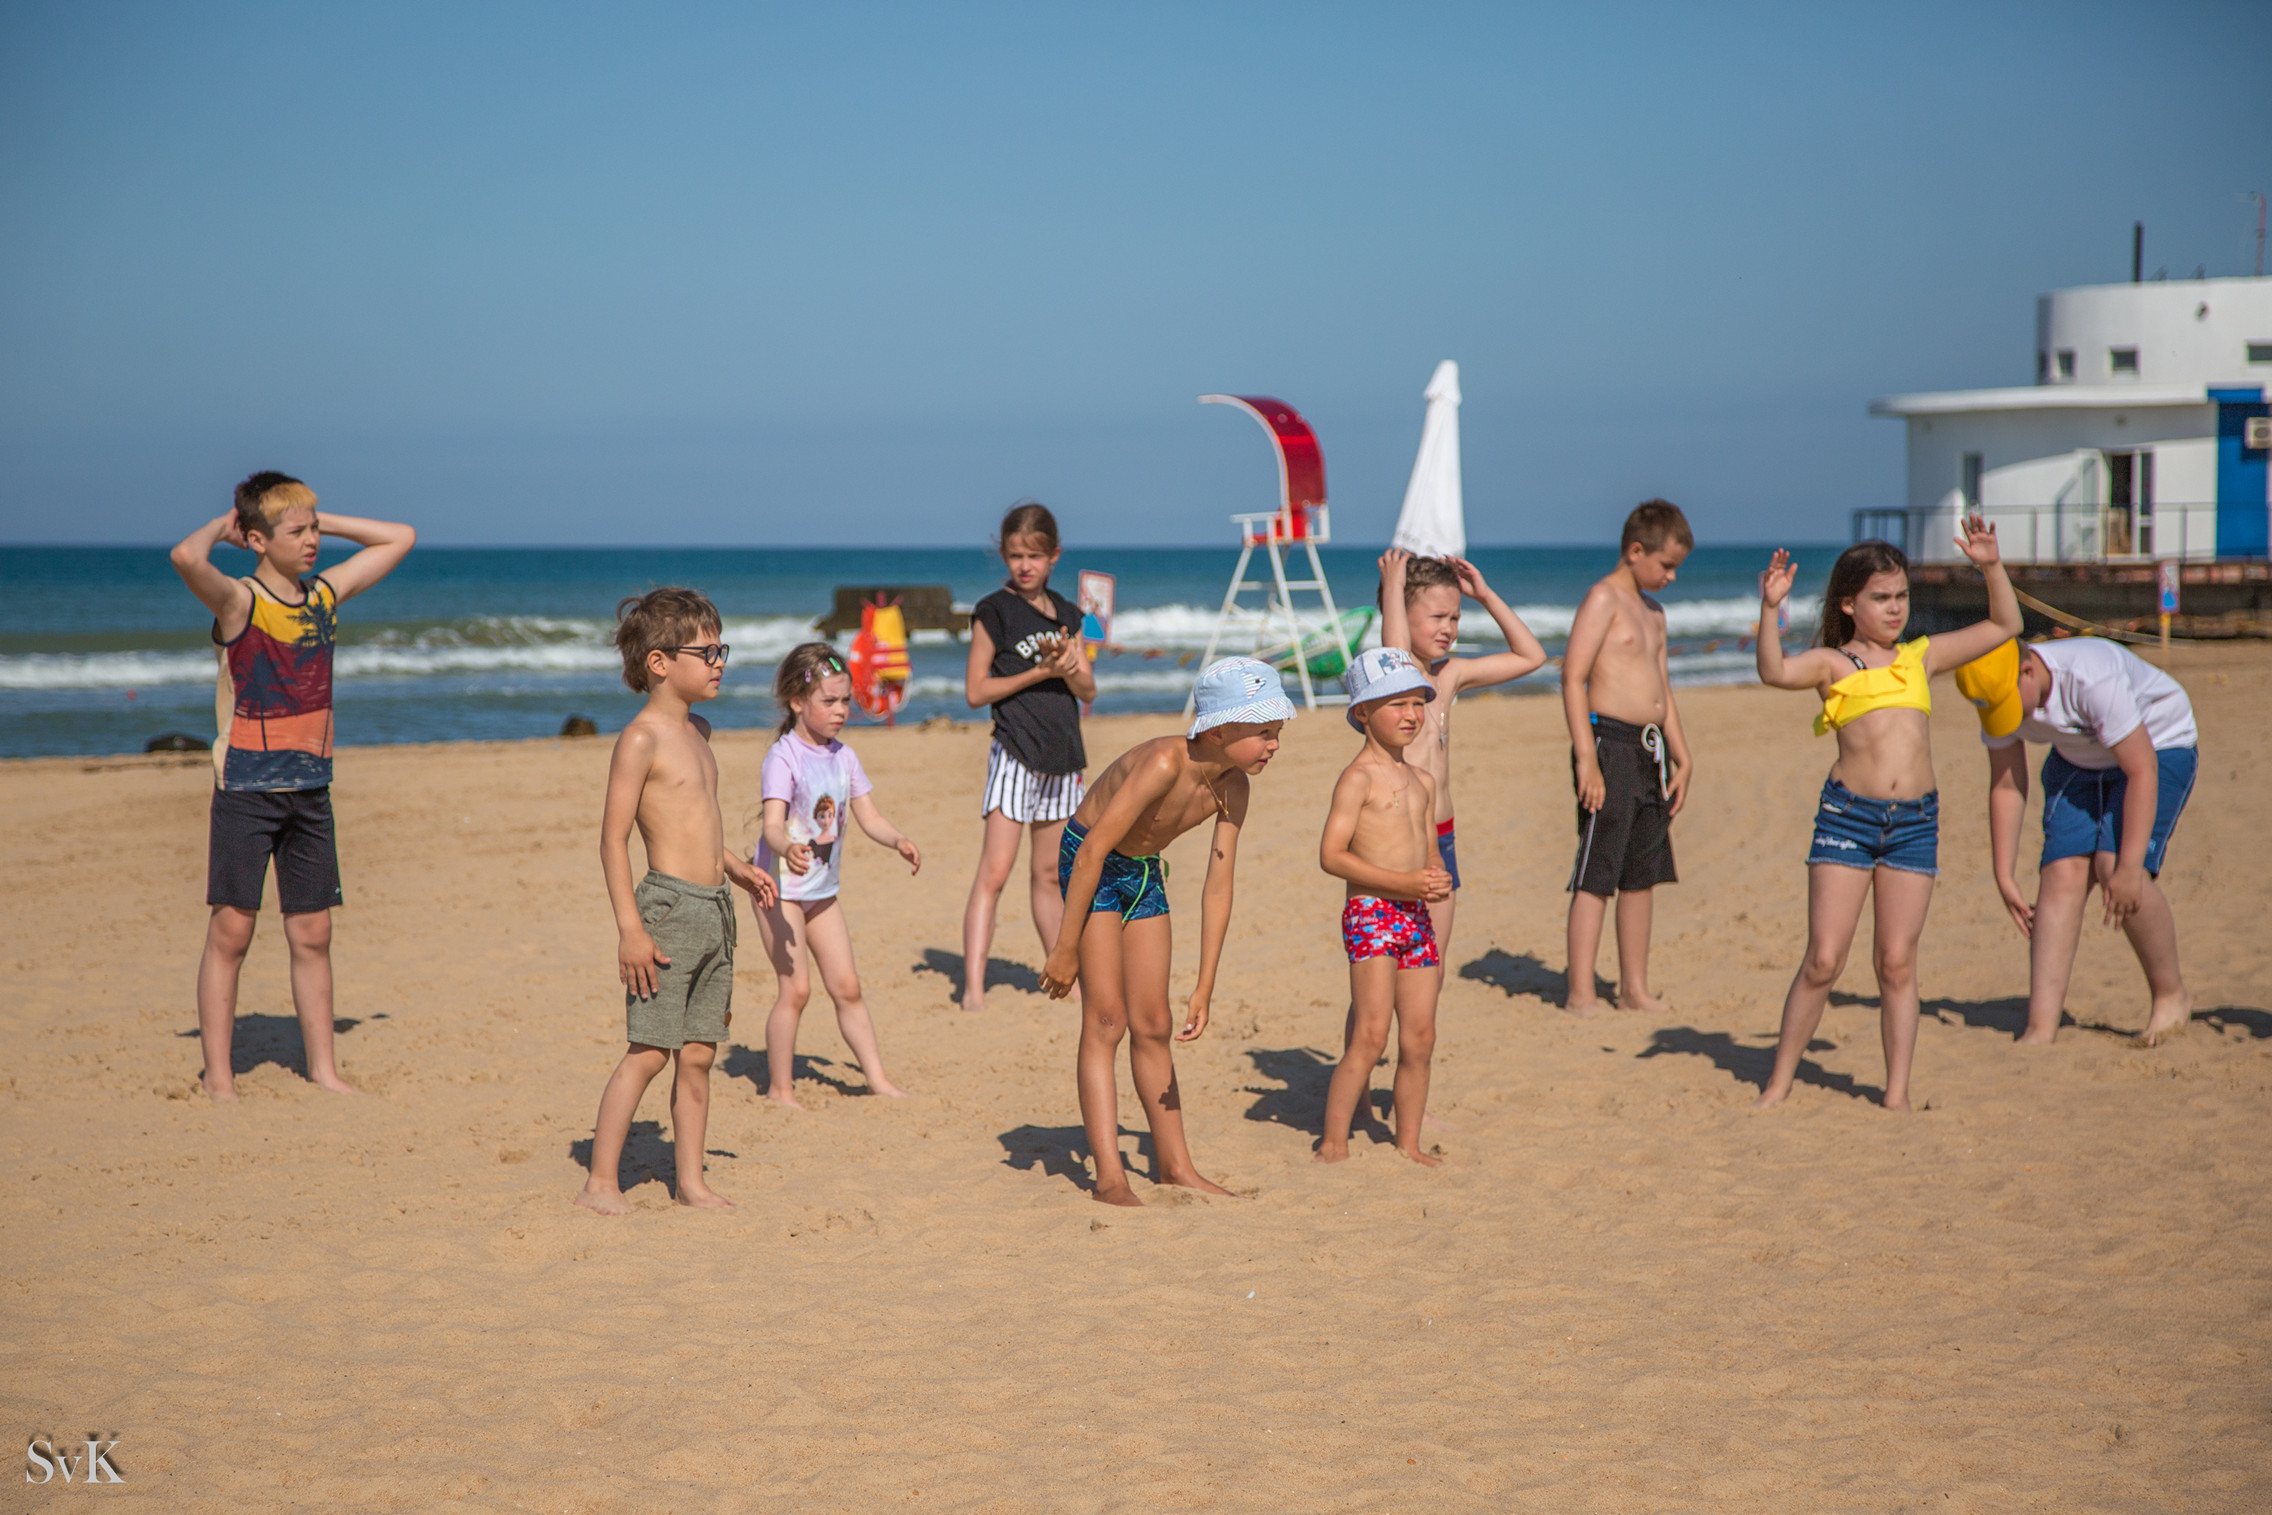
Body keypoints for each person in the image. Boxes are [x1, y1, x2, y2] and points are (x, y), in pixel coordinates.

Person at [1751, 520, 2019, 1111]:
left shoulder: (1922, 658)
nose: (1895, 608)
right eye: (1880, 597)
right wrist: (1770, 610)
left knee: (1896, 963)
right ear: (1849, 604)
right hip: (1847, 820)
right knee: (1824, 958)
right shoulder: (1831, 665)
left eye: (1901, 596)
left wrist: (1991, 567)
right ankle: (1778, 1084)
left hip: (1916, 824)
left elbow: (2006, 624)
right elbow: (1773, 672)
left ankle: (1896, 1094)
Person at [167, 472, 416, 1102]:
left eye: (314, 530)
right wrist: (223, 530)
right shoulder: (240, 602)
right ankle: (219, 1078)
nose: (312, 541)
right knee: (232, 929)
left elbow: (400, 538)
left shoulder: (324, 596)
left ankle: (323, 1070)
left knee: (313, 933)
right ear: (254, 538)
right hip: (246, 789)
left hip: (312, 788)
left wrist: (316, 516)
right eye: (297, 531)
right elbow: (184, 558)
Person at [1039, 656, 1291, 1207]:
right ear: (1220, 730)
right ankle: (1110, 1176)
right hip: (1092, 864)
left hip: (1144, 871)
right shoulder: (1161, 762)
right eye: (1264, 732)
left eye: (1277, 732)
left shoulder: (1234, 789)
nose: (1274, 744)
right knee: (1107, 1019)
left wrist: (1205, 983)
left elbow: (1218, 885)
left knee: (1154, 1022)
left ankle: (1176, 1166)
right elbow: (1091, 852)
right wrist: (1064, 949)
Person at [576, 589, 776, 1215]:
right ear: (660, 662)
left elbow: (701, 825)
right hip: (666, 911)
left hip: (715, 908)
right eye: (707, 651)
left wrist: (738, 869)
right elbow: (614, 839)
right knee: (648, 1054)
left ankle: (690, 1182)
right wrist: (630, 929)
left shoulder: (700, 730)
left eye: (723, 649)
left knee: (697, 1055)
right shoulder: (641, 740)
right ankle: (600, 1184)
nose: (720, 661)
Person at [1954, 636, 2199, 1047]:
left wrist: (2128, 867)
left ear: (2028, 670)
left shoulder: (2089, 677)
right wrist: (2003, 872)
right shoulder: (1993, 693)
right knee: (2060, 874)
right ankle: (2041, 1027)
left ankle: (2171, 994)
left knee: (2113, 867)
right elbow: (2007, 783)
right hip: (2079, 757)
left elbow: (2141, 770)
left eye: (2011, 707)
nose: (2009, 719)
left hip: (2158, 746)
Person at [752, 642, 922, 1106]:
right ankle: (780, 1090)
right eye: (829, 701)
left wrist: (898, 840)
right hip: (778, 887)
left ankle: (877, 1080)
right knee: (797, 989)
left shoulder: (844, 757)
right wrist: (788, 847)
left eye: (845, 700)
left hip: (820, 890)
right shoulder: (783, 758)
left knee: (847, 987)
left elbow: (869, 816)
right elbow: (771, 826)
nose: (841, 710)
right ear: (797, 702)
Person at [1315, 648, 1454, 1166]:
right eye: (1397, 704)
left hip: (1416, 918)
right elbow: (1331, 856)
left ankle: (1409, 1142)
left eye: (1418, 703)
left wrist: (1434, 879)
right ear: (1362, 714)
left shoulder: (1423, 781)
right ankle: (1333, 1141)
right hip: (1371, 913)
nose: (1411, 715)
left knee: (1420, 1036)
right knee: (1371, 1033)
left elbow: (1430, 850)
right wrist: (1402, 881)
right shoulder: (1358, 779)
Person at [1374, 549, 1548, 956]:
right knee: (1385, 976)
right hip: (1400, 837)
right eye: (1437, 617)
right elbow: (1397, 649)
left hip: (1443, 834)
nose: (1449, 628)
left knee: (1431, 965)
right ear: (1400, 612)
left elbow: (1531, 656)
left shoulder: (1449, 675)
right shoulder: (1399, 678)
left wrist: (1484, 597)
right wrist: (1395, 586)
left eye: (1455, 618)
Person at [960, 501, 1095, 1014]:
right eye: (1015, 554)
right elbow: (976, 691)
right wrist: (1039, 673)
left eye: (1034, 555)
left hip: (1064, 756)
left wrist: (1067, 666)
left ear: (1054, 556)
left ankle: (1065, 978)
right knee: (994, 873)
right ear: (1004, 554)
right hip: (1015, 751)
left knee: (1048, 877)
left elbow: (1089, 689)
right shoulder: (993, 611)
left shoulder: (1068, 614)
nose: (1024, 565)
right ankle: (973, 988)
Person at [1561, 500, 1695, 1014]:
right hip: (1608, 745)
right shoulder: (1603, 598)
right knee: (1599, 869)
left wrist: (1684, 758)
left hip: (1651, 751)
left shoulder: (1654, 613)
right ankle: (1580, 991)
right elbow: (1572, 678)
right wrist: (1585, 760)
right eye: (1665, 565)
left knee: (1643, 873)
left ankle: (1633, 988)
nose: (1672, 576)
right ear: (1635, 551)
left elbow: (1663, 689)